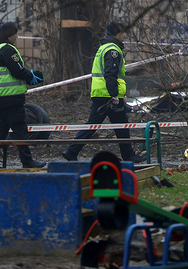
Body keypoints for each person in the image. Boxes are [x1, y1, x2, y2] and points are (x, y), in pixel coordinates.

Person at [62, 21, 145, 163]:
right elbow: (110, 74)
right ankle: (128, 155)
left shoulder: (104, 47)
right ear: (117, 34)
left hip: (101, 93)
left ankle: (71, 151)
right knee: (120, 125)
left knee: (100, 124)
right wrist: (114, 95)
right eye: (123, 32)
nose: (124, 35)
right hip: (108, 95)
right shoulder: (113, 50)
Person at [0, 22, 46, 169]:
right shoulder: (8, 49)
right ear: (9, 35)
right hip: (11, 97)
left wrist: (29, 75)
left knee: (1, 129)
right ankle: (27, 161)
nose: (17, 36)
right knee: (20, 129)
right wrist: (31, 76)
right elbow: (17, 71)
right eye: (15, 34)